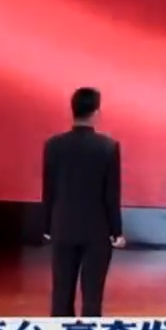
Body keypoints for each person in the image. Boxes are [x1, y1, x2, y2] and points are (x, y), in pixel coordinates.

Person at [42, 87, 125, 317]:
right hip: (97, 231)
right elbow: (111, 194)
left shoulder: (53, 145)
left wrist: (47, 226)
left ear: (73, 110)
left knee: (61, 294)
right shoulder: (108, 147)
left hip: (62, 227)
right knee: (92, 297)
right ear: (96, 112)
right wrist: (116, 231)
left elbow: (49, 190)